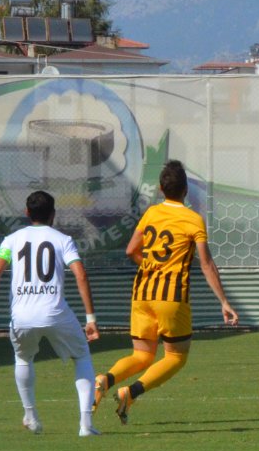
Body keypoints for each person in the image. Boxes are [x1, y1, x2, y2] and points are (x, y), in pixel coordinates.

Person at [93, 159, 239, 424]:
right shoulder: (193, 220)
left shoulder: (151, 214)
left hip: (142, 293)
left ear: (161, 189)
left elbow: (131, 250)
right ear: (185, 191)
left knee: (142, 355)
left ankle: (106, 379)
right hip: (171, 296)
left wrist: (150, 265)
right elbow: (206, 263)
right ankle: (131, 392)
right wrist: (224, 301)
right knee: (175, 357)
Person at [0, 190, 101, 437]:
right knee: (82, 356)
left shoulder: (11, 240)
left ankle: (31, 416)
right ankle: (86, 425)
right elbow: (81, 275)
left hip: (21, 316)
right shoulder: (62, 239)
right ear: (53, 215)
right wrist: (91, 320)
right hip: (55, 312)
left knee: (23, 360)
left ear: (26, 213)